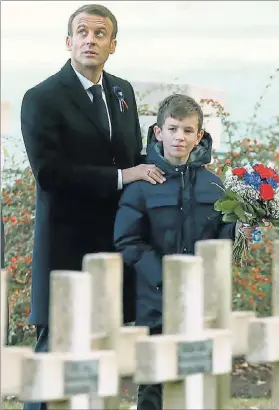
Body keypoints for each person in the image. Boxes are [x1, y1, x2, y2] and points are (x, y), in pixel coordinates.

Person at [20, 6, 166, 410]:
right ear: (68, 42)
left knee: (105, 353)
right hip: (66, 247)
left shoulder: (123, 92)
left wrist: (174, 167)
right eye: (81, 32)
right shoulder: (41, 98)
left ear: (112, 45)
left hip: (116, 244)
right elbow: (50, 174)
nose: (90, 39)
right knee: (55, 353)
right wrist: (124, 177)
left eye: (100, 33)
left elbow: (132, 154)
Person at [113, 94, 251, 410]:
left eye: (188, 131)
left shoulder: (213, 185)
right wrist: (167, 279)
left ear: (199, 136)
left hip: (200, 302)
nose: (180, 137)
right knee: (154, 389)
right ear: (158, 132)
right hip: (155, 303)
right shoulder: (142, 183)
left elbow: (221, 237)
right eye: (173, 129)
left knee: (199, 387)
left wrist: (239, 230)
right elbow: (127, 241)